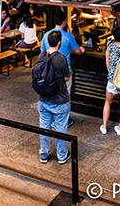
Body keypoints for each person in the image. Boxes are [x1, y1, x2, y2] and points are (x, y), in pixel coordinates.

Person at [40, 10, 84, 127]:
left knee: (52, 92)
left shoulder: (46, 35)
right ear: (64, 22)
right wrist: (82, 49)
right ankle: (64, 118)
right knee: (66, 94)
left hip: (50, 69)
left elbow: (42, 52)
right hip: (65, 70)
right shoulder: (68, 36)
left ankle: (53, 117)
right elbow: (77, 51)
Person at [37, 30, 71, 165]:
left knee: (44, 126)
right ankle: (61, 155)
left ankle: (44, 153)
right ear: (59, 43)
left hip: (43, 98)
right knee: (61, 127)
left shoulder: (41, 56)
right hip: (60, 99)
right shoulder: (61, 59)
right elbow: (67, 77)